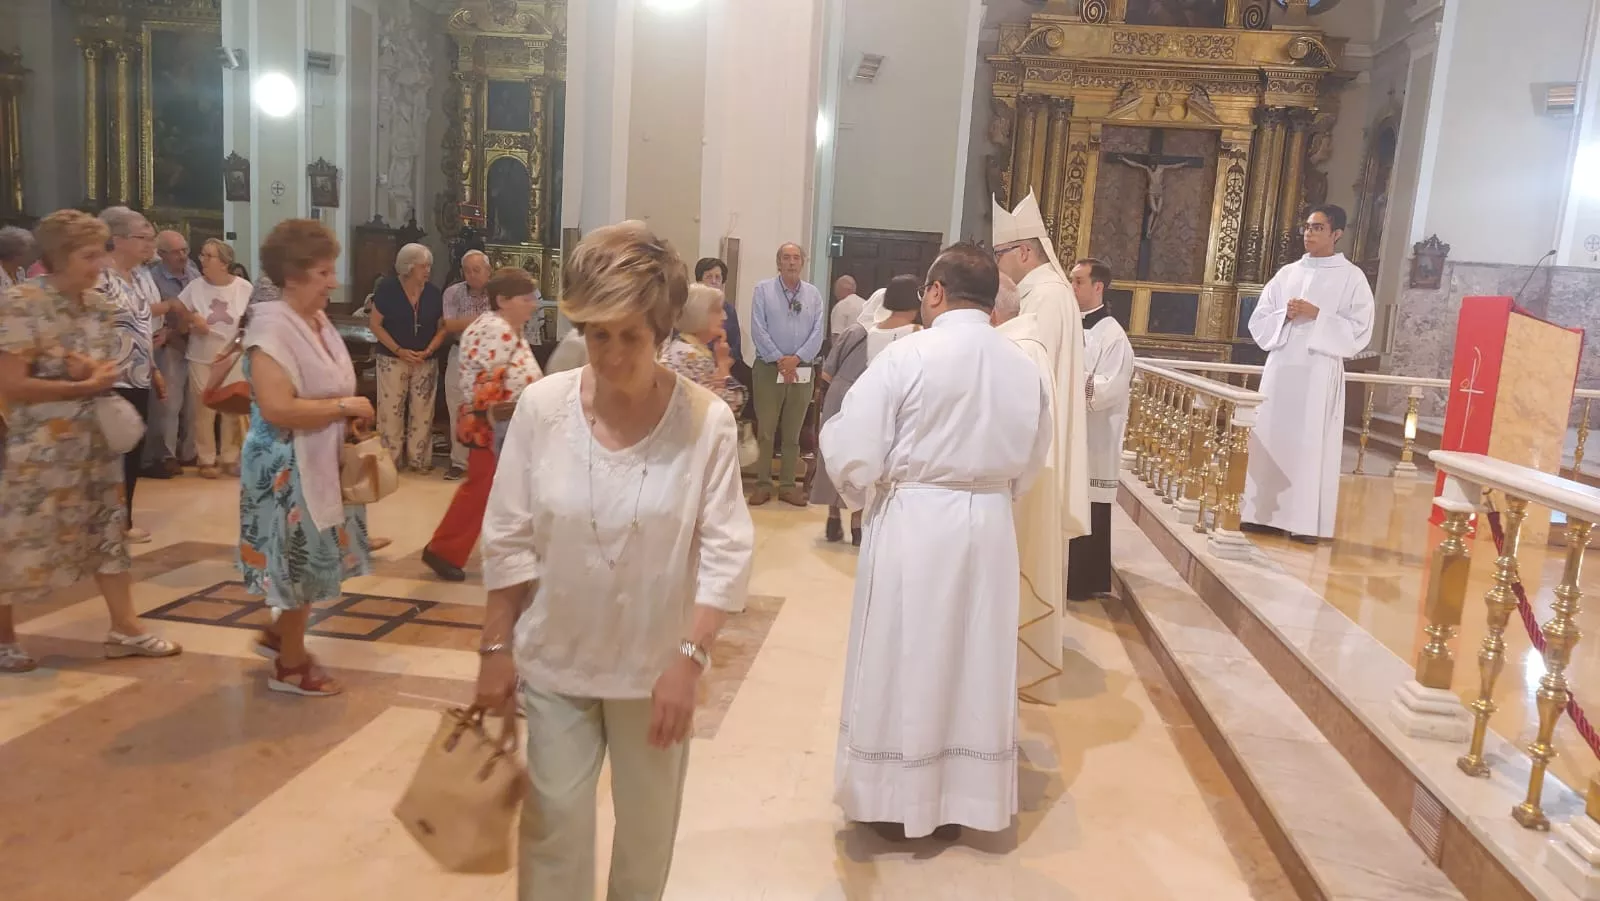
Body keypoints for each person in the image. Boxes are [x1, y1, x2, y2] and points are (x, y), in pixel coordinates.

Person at [475, 221, 753, 900]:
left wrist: (690, 659)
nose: (612, 352)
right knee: (555, 827)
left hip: (656, 666)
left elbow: (725, 549)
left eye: (630, 334)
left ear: (660, 331)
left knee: (647, 834)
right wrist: (494, 647)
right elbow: (507, 533)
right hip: (557, 657)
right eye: (598, 333)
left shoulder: (703, 421)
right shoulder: (543, 408)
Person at [822, 243, 1052, 839]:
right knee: (974, 656)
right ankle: (962, 799)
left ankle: (895, 796)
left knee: (907, 650)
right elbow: (1033, 458)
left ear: (935, 292)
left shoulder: (907, 356)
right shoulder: (1024, 366)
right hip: (989, 522)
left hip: (915, 521)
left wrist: (858, 489)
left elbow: (855, 443)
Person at [0, 210, 182, 672]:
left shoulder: (99, 304)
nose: (99, 263)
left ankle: (125, 628)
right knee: (22, 537)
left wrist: (98, 374)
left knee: (107, 532)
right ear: (58, 257)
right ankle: (4, 638)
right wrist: (75, 383)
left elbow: (106, 362)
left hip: (93, 441)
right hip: (41, 445)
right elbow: (12, 383)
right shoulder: (22, 302)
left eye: (101, 252)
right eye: (88, 255)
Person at [239, 219, 376, 697]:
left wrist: (346, 416)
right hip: (285, 466)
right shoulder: (270, 326)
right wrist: (342, 408)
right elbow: (277, 408)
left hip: (319, 455)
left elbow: (329, 388)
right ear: (293, 275)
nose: (332, 282)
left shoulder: (315, 320)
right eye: (323, 272)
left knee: (316, 559)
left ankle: (280, 634)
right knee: (299, 565)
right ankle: (290, 665)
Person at [1242, 204, 1374, 543]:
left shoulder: (1351, 277)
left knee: (1309, 442)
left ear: (1336, 234)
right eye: (1306, 227)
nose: (1308, 233)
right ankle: (1261, 514)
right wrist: (1283, 317)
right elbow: (1259, 319)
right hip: (1282, 366)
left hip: (1318, 369)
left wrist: (1319, 315)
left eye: (1317, 227)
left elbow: (1361, 330)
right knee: (1270, 433)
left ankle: (1304, 522)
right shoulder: (1287, 274)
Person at [421, 267, 544, 583]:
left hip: (506, 425)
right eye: (526, 297)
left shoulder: (506, 328)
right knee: (481, 488)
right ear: (503, 300)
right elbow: (487, 384)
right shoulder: (493, 329)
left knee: (499, 490)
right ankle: (443, 549)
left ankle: (513, 552)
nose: (533, 303)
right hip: (494, 426)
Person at [992, 191, 1092, 579]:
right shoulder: (1044, 290)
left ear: (1023, 253)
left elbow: (1029, 374)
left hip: (1038, 446)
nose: (996, 263)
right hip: (1037, 441)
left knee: (1029, 557)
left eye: (1000, 253)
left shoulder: (1047, 295)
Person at [990, 272, 1063, 705]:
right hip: (1022, 480)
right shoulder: (1025, 344)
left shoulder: (1018, 351)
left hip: (1016, 490)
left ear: (993, 312)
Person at [811, 274, 920, 547]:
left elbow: (827, 371)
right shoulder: (915, 335)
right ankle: (857, 524)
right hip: (871, 399)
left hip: (845, 395)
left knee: (841, 457)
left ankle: (838, 517)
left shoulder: (863, 332)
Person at [97, 207, 171, 545]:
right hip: (110, 380)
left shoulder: (138, 277)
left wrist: (154, 370)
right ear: (117, 239)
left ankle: (123, 519)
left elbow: (141, 328)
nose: (150, 243)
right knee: (111, 454)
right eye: (143, 236)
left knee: (132, 451)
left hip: (138, 376)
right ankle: (108, 522)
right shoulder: (102, 277)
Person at [1066, 258, 1133, 599]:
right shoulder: (1068, 324)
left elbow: (1110, 387)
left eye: (1078, 281)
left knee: (1090, 507)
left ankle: (1085, 582)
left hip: (1094, 437)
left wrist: (1068, 380)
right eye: (1071, 280)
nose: (1072, 286)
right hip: (1070, 432)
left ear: (1098, 287)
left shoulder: (1113, 335)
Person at [748, 242, 824, 506]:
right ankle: (763, 484)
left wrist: (797, 359)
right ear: (778, 262)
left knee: (793, 433)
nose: (791, 262)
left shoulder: (813, 295)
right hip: (769, 369)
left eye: (796, 258)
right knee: (767, 431)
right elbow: (758, 328)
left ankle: (790, 485)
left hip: (802, 370)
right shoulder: (763, 290)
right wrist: (780, 359)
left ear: (802, 263)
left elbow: (818, 332)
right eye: (786, 258)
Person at [180, 239, 254, 478]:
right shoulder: (195, 287)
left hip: (232, 357)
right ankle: (206, 459)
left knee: (232, 408)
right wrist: (193, 319)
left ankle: (230, 458)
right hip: (201, 356)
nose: (202, 260)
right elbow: (178, 312)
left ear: (224, 263)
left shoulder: (243, 287)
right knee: (203, 409)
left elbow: (252, 320)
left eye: (208, 256)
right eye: (202, 255)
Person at [370, 242, 446, 472]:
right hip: (393, 359)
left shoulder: (433, 293)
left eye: (429, 266)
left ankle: (419, 460)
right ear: (409, 267)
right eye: (424, 266)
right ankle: (389, 462)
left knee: (423, 411)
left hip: (425, 359)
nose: (428, 271)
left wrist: (429, 350)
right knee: (390, 412)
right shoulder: (387, 289)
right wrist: (398, 350)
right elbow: (375, 325)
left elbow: (442, 327)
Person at [143, 230, 199, 479]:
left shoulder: (193, 271)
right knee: (169, 404)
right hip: (169, 345)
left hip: (195, 342)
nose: (183, 256)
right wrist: (170, 330)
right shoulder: (153, 277)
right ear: (162, 254)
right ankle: (165, 455)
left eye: (185, 250)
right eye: (177, 251)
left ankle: (190, 452)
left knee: (193, 403)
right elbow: (150, 311)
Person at [440, 249, 493, 482]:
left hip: (490, 356)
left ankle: (486, 462)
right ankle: (458, 461)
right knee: (458, 407)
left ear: (488, 271)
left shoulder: (498, 293)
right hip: (461, 353)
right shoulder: (453, 292)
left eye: (477, 270)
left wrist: (466, 322)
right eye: (468, 270)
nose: (472, 275)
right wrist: (485, 320)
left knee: (488, 409)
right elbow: (449, 325)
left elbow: (502, 323)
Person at [660, 283, 747, 413]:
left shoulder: (684, 347)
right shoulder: (692, 357)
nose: (724, 316)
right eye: (717, 311)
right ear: (700, 314)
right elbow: (732, 403)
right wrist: (723, 366)